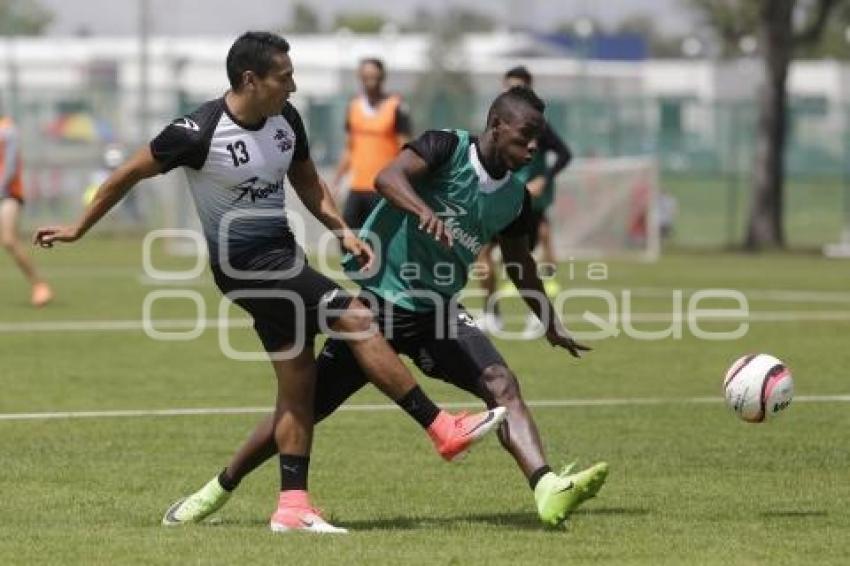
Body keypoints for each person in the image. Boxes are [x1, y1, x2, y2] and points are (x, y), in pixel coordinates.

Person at [33, 31, 505, 535]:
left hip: (283, 257)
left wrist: (342, 231)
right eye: (285, 77)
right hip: (244, 267)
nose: (294, 86)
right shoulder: (196, 131)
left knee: (299, 386)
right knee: (356, 317)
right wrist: (78, 227)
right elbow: (126, 173)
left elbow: (307, 183)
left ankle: (292, 506)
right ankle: (440, 428)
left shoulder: (286, 120)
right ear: (250, 80)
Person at [165, 86, 608, 529]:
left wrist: (549, 322)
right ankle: (217, 489)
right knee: (304, 407)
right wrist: (422, 210)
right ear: (496, 125)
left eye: (538, 138)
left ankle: (547, 487)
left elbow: (519, 264)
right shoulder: (446, 146)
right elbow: (387, 178)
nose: (533, 147)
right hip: (377, 308)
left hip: (438, 312)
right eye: (525, 135)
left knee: (501, 383)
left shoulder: (516, 198)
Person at [477, 66, 572, 335]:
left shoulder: (539, 126)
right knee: (482, 254)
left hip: (527, 204)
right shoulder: (498, 123)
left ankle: (539, 315)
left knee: (531, 257)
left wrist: (544, 178)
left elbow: (565, 154)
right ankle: (490, 312)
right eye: (509, 87)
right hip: (496, 199)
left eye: (519, 88)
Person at [331, 58, 412, 230]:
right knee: (347, 233)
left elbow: (405, 148)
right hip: (357, 185)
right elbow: (349, 148)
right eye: (366, 77)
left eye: (375, 77)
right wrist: (336, 181)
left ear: (382, 78)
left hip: (384, 186)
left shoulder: (396, 106)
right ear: (360, 78)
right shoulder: (353, 106)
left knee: (380, 236)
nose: (371, 82)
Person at [0, 109, 53, 307]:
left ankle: (40, 286)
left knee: (8, 240)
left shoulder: (8, 129)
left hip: (8, 193)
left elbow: (11, 165)